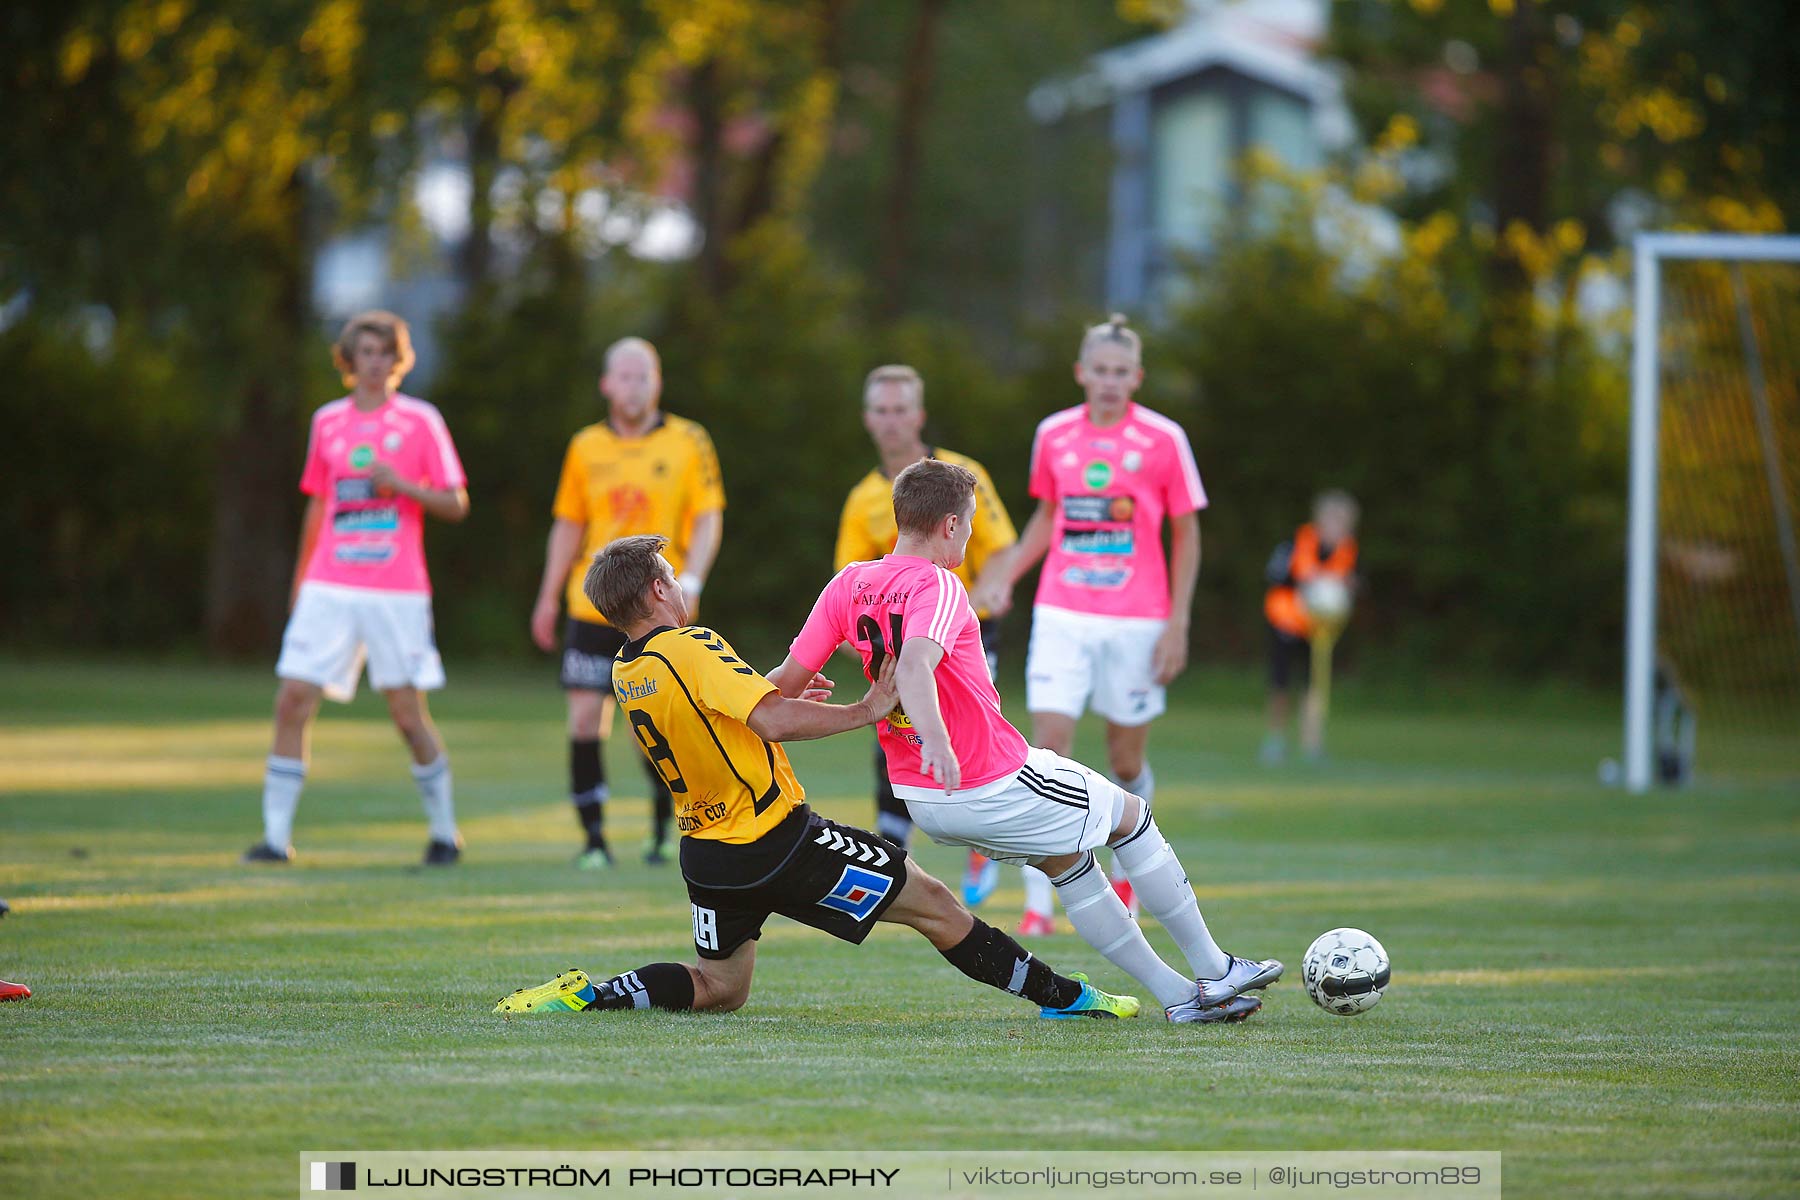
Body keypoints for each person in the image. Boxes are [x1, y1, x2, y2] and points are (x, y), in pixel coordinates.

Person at [496, 535, 1138, 1021]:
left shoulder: (629, 670)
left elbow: (737, 711)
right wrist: (865, 710)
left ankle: (588, 996)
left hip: (710, 856)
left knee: (720, 990)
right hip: (778, 840)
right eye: (671, 575)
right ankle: (1067, 998)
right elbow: (770, 721)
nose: (679, 583)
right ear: (659, 591)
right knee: (937, 907)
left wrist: (780, 696)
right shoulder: (690, 643)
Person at [774, 459, 1278, 1023]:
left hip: (923, 799)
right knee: (1131, 817)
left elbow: (780, 688)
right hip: (984, 777)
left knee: (1069, 865)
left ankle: (1182, 998)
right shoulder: (939, 583)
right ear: (948, 526)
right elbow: (915, 666)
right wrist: (937, 740)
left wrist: (721, 699)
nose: (969, 536)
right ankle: (1215, 968)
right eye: (967, 525)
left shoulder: (848, 583)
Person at [985, 314, 1203, 935]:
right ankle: (1037, 903)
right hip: (1062, 613)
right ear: (1081, 373)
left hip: (1137, 619)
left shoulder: (1164, 440)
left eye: (1120, 372)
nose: (1108, 382)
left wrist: (1177, 622)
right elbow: (1048, 517)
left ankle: (1131, 869)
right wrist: (1007, 576)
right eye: (1098, 371)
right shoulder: (1054, 434)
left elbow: (1186, 533)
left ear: (1136, 377)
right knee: (1045, 752)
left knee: (1124, 759)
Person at [244, 311, 469, 866]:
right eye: (365, 352)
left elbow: (456, 503)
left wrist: (404, 486)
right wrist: (301, 581)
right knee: (292, 700)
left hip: (396, 590)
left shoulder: (421, 421)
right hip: (330, 584)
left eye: (385, 352)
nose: (375, 362)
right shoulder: (327, 422)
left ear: (398, 360)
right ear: (349, 360)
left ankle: (444, 833)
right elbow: (319, 504)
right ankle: (275, 841)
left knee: (406, 715)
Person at [530, 338, 724, 868]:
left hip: (659, 608)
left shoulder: (689, 440)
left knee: (657, 728)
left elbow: (708, 515)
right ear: (606, 384)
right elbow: (568, 525)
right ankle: (594, 840)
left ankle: (666, 830)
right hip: (592, 606)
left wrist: (694, 579)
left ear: (657, 382)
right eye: (625, 375)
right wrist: (548, 596)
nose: (634, 385)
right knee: (584, 720)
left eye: (645, 375)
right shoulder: (585, 446)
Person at [834, 364, 1016, 906]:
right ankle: (892, 861)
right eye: (881, 411)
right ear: (868, 419)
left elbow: (1002, 550)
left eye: (901, 410)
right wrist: (865, 645)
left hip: (962, 639)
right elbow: (846, 586)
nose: (891, 422)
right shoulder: (863, 497)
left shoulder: (961, 475)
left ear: (919, 414)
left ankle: (984, 842)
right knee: (894, 736)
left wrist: (977, 601)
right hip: (897, 648)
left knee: (970, 732)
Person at [1261, 490, 1360, 764]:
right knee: (1280, 683)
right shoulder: (1296, 543)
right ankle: (1275, 739)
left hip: (1319, 628)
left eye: (1342, 522)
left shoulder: (1347, 550)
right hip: (1286, 621)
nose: (1336, 527)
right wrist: (1307, 585)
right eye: (1331, 519)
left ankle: (1311, 742)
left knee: (1313, 684)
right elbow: (1275, 575)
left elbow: (1351, 585)